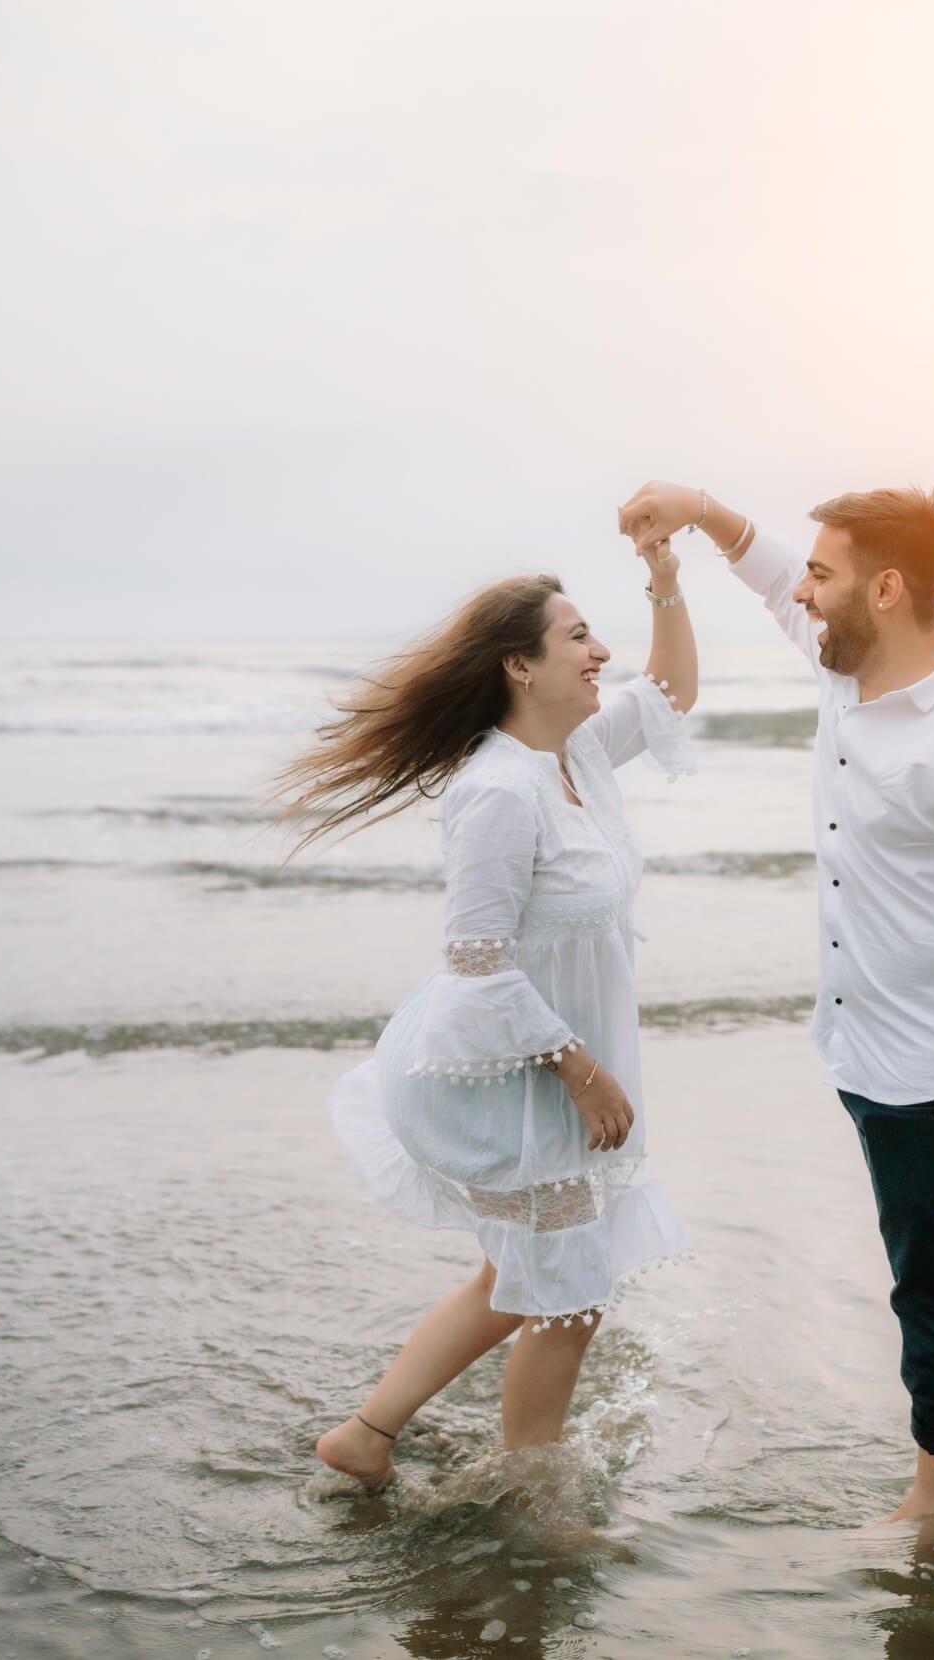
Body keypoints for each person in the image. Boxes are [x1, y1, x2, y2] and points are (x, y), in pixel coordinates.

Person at [616, 479, 934, 1524]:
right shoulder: (845, 668)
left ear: (886, 589)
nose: (802, 594)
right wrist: (699, 507)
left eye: (824, 573)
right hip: (868, 1038)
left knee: (931, 1278)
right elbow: (769, 579)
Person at [266, 534, 698, 1491]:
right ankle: (531, 1491)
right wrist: (579, 1070)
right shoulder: (499, 790)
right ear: (520, 666)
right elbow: (475, 961)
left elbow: (669, 693)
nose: (601, 654)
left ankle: (366, 1437)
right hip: (505, 1075)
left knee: (533, 1281)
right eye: (578, 638)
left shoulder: (576, 751)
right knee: (567, 1291)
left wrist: (666, 584)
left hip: (549, 1072)